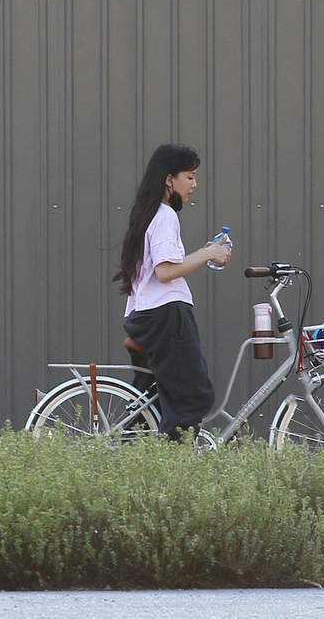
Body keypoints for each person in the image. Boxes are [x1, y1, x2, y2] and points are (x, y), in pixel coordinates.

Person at [113, 144, 231, 441]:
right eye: (189, 176)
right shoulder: (165, 215)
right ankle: (174, 471)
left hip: (144, 315)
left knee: (149, 402)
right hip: (167, 316)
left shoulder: (146, 214)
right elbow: (165, 271)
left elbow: (158, 268)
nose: (194, 184)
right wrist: (209, 254)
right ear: (169, 179)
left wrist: (205, 252)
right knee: (192, 398)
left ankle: (133, 462)